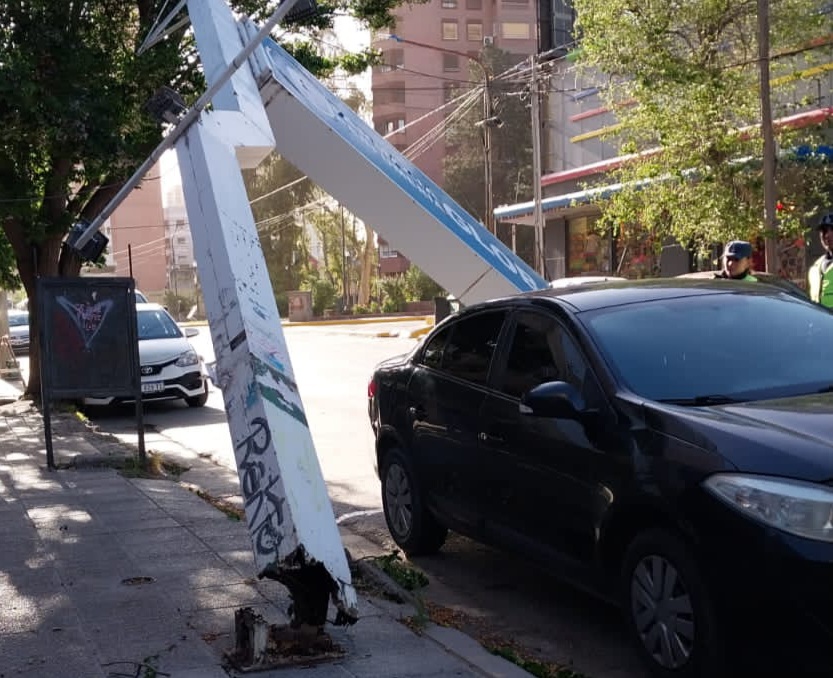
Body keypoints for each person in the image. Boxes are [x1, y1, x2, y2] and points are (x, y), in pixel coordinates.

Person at [808, 213, 833, 308]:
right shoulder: (815, 267)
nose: (827, 235)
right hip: (819, 321)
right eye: (824, 231)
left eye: (832, 229)